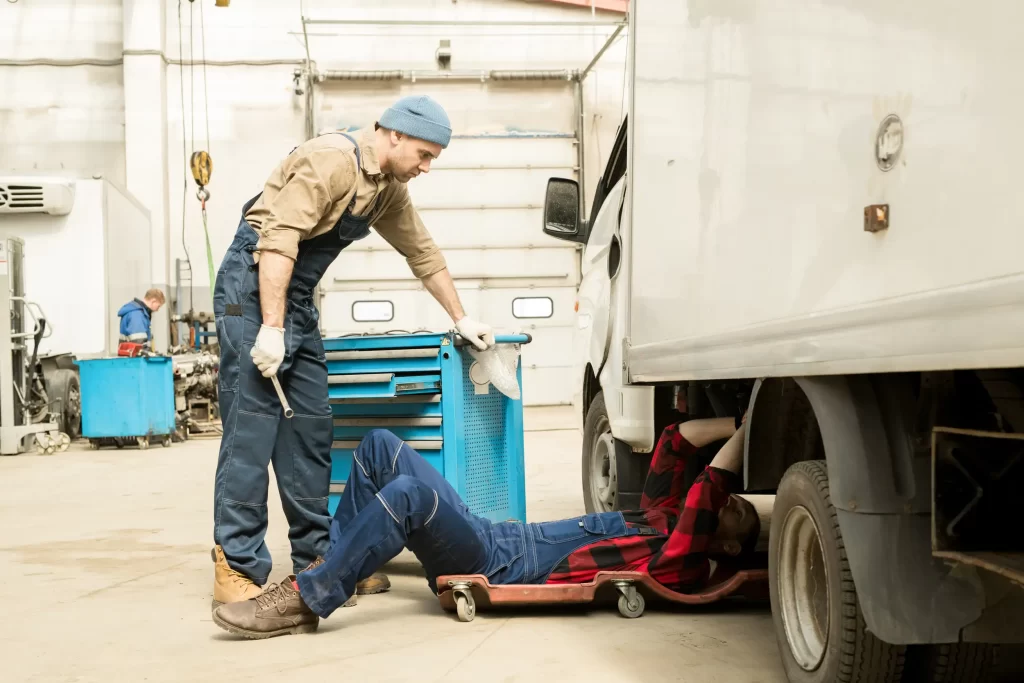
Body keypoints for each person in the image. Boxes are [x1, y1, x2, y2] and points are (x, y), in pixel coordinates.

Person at [211, 95, 497, 611]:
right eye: (425, 154)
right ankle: (236, 566)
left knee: (312, 427)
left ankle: (317, 559)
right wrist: (270, 329)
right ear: (393, 134)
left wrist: (462, 317)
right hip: (251, 287)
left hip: (293, 296)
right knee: (252, 426)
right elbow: (278, 242)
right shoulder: (332, 160)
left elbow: (422, 254)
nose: (426, 167)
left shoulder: (388, 189)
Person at [211, 416, 761, 639]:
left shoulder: (684, 561)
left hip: (498, 563)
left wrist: (730, 463)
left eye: (735, 511)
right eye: (734, 501)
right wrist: (743, 422)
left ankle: (310, 596)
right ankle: (341, 566)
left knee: (408, 497)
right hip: (497, 534)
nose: (728, 501)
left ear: (729, 541)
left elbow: (708, 487)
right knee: (381, 445)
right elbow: (676, 442)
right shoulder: (662, 517)